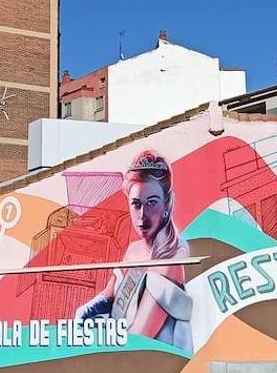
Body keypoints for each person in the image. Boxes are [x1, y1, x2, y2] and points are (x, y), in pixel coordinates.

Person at [75, 150, 194, 351]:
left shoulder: (172, 257)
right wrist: (88, 310)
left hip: (159, 368)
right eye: (136, 204)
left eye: (151, 203)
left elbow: (137, 339)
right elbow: (110, 294)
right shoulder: (134, 251)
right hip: (127, 358)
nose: (142, 216)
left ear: (166, 204)